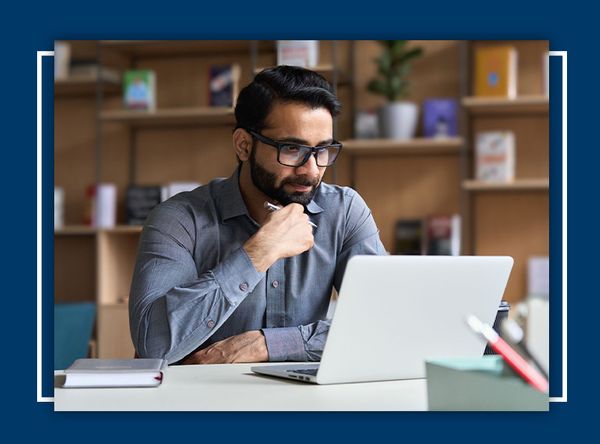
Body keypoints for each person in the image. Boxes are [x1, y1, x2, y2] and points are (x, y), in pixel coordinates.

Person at [129, 65, 386, 365]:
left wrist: (266, 345)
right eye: (292, 149)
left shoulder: (344, 212)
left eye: (323, 151)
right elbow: (154, 345)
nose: (312, 170)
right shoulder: (178, 219)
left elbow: (386, 323)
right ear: (243, 145)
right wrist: (258, 253)